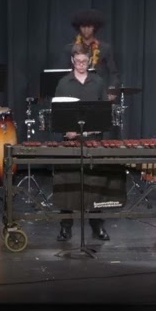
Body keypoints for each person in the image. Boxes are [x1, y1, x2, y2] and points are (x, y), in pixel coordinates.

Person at [51, 44, 118, 242]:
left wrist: (97, 127)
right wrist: (66, 130)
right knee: (68, 184)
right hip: (71, 141)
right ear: (72, 60)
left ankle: (97, 226)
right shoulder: (63, 83)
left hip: (93, 141)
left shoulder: (98, 82)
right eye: (78, 61)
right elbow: (57, 115)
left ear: (89, 61)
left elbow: (105, 114)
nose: (81, 65)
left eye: (84, 61)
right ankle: (65, 227)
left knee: (95, 185)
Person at [63, 8, 120, 94]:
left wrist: (112, 90)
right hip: (75, 92)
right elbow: (64, 73)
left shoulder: (104, 48)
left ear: (94, 27)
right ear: (79, 27)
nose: (86, 30)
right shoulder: (70, 48)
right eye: (83, 27)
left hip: (99, 93)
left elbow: (113, 73)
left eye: (89, 27)